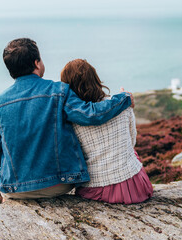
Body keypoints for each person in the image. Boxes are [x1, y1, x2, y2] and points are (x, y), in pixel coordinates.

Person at [0, 38, 134, 200]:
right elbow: (91, 115)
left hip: (14, 188)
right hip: (59, 184)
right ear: (37, 63)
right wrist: (123, 98)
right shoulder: (59, 91)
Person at [60, 59, 153, 204]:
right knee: (131, 152)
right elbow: (132, 141)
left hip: (96, 189)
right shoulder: (121, 105)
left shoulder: (71, 118)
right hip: (136, 187)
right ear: (95, 79)